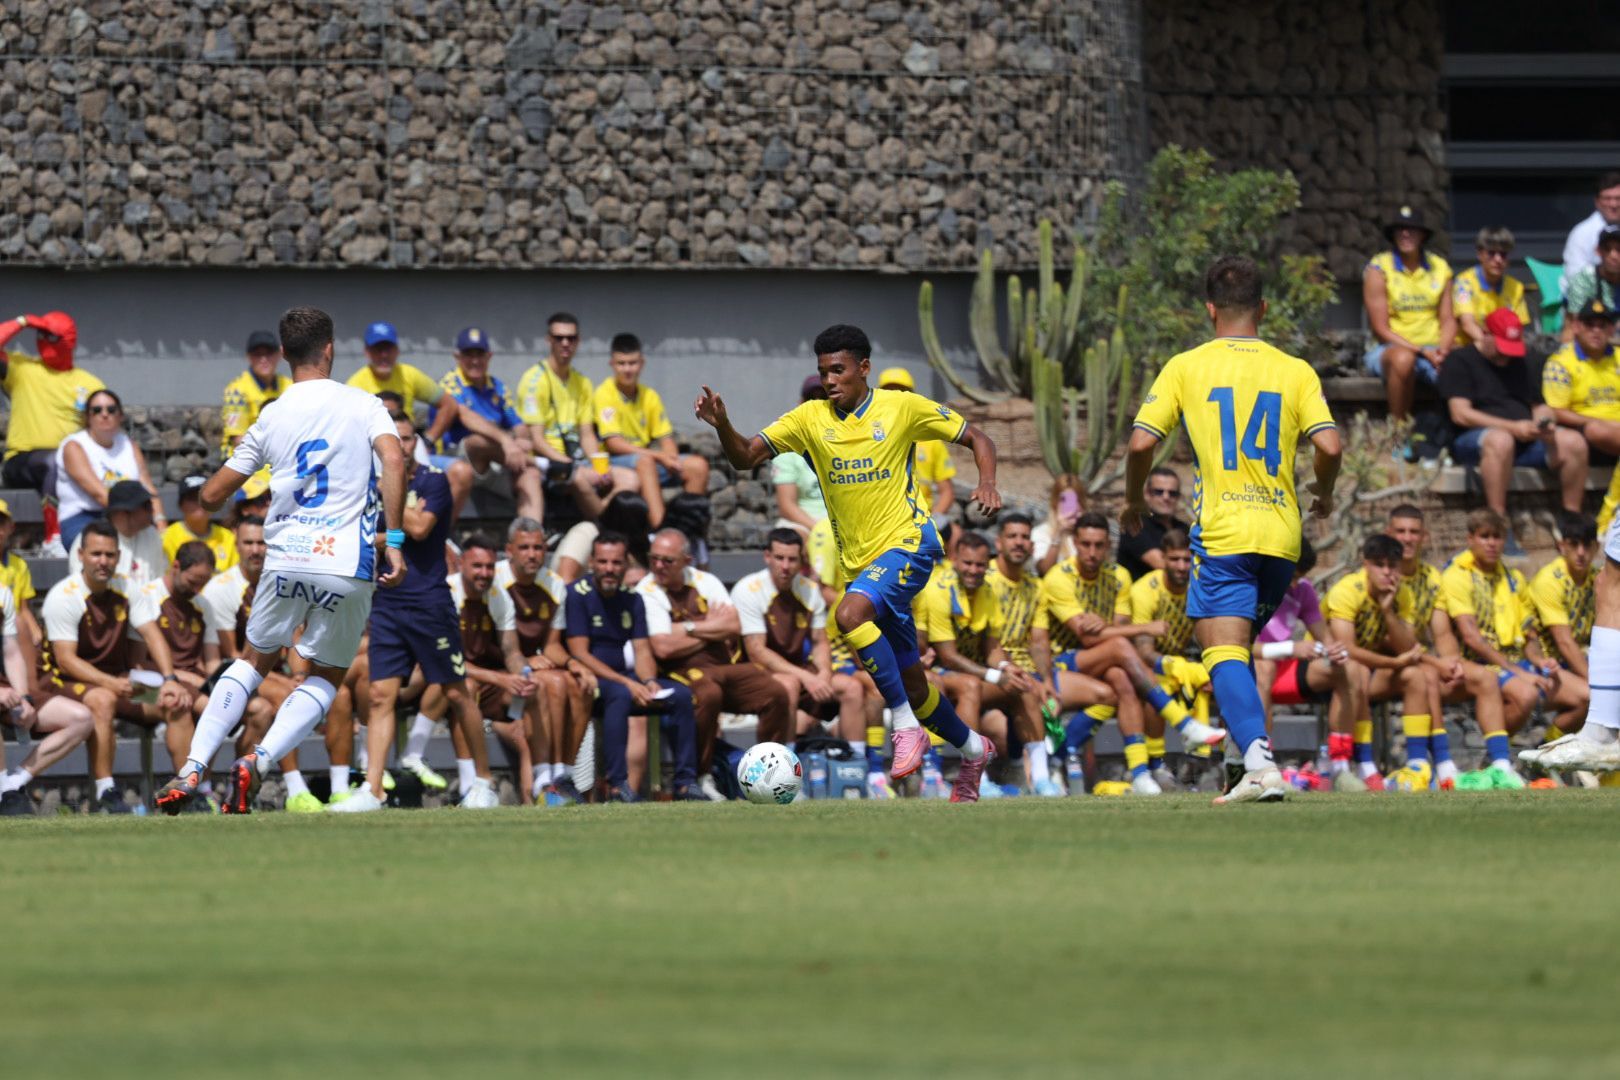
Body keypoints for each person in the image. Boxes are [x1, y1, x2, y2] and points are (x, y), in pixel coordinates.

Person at [695, 322, 1003, 802]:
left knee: (849, 614)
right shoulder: (810, 418)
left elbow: (980, 438)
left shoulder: (901, 407)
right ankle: (972, 748)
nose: (829, 380)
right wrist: (723, 426)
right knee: (916, 684)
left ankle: (904, 728)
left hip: (909, 544)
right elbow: (745, 456)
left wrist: (987, 482)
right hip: (864, 566)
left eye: (838, 370)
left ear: (864, 368)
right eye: (822, 372)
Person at [152, 306, 408, 815]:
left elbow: (214, 495)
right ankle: (260, 759)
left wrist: (208, 494)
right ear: (330, 349)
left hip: (287, 557)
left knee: (253, 660)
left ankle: (193, 766)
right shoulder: (364, 404)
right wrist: (394, 538)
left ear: (285, 354)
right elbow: (395, 459)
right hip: (346, 561)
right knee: (328, 675)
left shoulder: (272, 414)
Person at [1125, 254, 1343, 804]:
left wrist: (1133, 498)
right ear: (1263, 308)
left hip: (1225, 532)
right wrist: (1325, 491)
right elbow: (1330, 445)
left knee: (1221, 653)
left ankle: (1260, 764)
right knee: (1237, 656)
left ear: (1209, 309)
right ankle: (1235, 761)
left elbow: (1141, 443)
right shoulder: (1295, 369)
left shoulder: (1187, 366)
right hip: (1281, 537)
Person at [338, 416, 501, 813]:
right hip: (388, 602)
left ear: (415, 444)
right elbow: (360, 530)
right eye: (394, 440)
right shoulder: (368, 483)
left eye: (407, 439)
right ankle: (372, 789)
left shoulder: (432, 481)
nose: (402, 446)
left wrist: (384, 491)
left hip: (429, 602)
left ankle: (485, 782)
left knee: (456, 692)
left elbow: (422, 526)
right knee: (379, 695)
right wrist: (382, 530)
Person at [1042, 512, 1225, 794]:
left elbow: (1116, 629)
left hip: (1103, 661)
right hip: (1061, 663)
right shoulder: (1059, 577)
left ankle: (1137, 774)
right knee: (1120, 649)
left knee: (1122, 680)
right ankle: (1183, 724)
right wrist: (1145, 628)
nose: (1092, 552)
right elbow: (1089, 637)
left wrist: (1108, 629)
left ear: (1108, 546)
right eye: (1086, 544)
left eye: (1099, 545)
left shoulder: (1119, 576)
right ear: (1075, 543)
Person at [39, 520, 195, 813]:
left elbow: (152, 634)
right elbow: (65, 660)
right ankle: (106, 793)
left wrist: (170, 679)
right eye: (96, 554)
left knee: (176, 703)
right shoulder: (64, 595)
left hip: (118, 680)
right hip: (62, 683)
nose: (103, 561)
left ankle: (186, 791)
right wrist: (110, 683)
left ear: (119, 558)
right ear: (81, 555)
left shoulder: (128, 588)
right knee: (102, 699)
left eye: (110, 555)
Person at [636, 528, 792, 797]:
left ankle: (772, 775)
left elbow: (733, 624)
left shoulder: (705, 581)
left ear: (686, 560)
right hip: (680, 670)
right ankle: (701, 776)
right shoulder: (646, 590)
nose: (658, 566)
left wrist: (684, 629)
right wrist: (709, 628)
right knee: (708, 693)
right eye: (654, 559)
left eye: (667, 560)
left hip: (723, 666)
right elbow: (662, 647)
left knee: (775, 692)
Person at [732, 527, 886, 795]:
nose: (785, 566)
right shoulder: (749, 589)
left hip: (798, 670)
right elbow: (757, 651)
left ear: (801, 561)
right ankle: (790, 778)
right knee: (789, 685)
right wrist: (807, 677)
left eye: (792, 559)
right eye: (779, 558)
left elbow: (819, 641)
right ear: (767, 556)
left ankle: (856, 772)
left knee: (851, 688)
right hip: (755, 673)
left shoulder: (809, 590)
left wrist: (824, 672)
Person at [1440, 509, 1580, 787]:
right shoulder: (1458, 575)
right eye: (1485, 537)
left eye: (1497, 537)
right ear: (1471, 539)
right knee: (1526, 694)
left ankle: (1539, 756)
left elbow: (1529, 635)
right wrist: (1519, 671)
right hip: (1478, 664)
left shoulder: (1513, 578)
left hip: (1516, 663)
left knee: (1585, 696)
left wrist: (1539, 661)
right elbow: (1471, 638)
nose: (1492, 543)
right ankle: (1498, 760)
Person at [564, 532, 702, 801]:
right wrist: (629, 683)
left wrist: (649, 681)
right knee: (621, 694)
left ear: (625, 564)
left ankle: (685, 783)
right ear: (591, 562)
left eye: (616, 563)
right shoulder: (577, 594)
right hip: (591, 678)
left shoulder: (632, 598)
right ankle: (618, 785)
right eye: (602, 562)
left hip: (623, 677)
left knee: (681, 695)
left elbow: (641, 649)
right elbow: (579, 653)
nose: (609, 569)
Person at [922, 531, 1052, 795]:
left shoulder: (988, 590)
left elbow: (991, 647)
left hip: (972, 671)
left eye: (980, 564)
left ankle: (1041, 778)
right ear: (956, 560)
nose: (973, 570)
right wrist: (993, 676)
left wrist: (1005, 668)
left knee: (1023, 683)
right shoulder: (938, 591)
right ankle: (973, 777)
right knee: (970, 685)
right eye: (967, 563)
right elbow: (947, 656)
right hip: (935, 671)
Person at [197, 514, 311, 811]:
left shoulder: (285, 582)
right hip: (232, 670)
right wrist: (288, 682)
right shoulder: (221, 588)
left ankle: (347, 782)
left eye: (262, 543)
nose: (256, 550)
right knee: (289, 696)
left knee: (330, 695)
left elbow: (296, 635)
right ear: (236, 543)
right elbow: (233, 655)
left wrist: (298, 675)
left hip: (273, 673)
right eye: (248, 543)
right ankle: (296, 788)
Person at [1441, 308, 1586, 536]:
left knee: (1574, 441)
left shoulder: (1525, 361)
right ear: (1485, 334)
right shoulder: (1460, 360)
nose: (1505, 355)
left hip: (1526, 438)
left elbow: (1540, 405)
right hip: (1475, 441)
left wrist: (1544, 423)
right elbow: (1461, 414)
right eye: (1500, 348)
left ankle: (1572, 520)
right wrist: (1512, 428)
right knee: (1501, 440)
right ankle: (1497, 521)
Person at [1321, 534, 1445, 792]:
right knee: (1359, 671)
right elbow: (1347, 650)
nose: (1387, 572)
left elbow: (1407, 647)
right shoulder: (1346, 591)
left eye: (1393, 565)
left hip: (1369, 669)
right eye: (1379, 564)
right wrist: (1394, 662)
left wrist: (1388, 612)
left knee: (1415, 675)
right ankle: (1366, 766)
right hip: (1328, 667)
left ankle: (1417, 764)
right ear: (1365, 564)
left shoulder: (1403, 594)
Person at [495, 517, 593, 805]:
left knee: (574, 682)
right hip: (501, 677)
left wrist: (576, 664)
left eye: (538, 547)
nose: (532, 554)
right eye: (524, 547)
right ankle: (545, 788)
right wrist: (525, 661)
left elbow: (552, 646)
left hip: (531, 676)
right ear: (509, 550)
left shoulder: (555, 585)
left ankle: (564, 775)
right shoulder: (496, 579)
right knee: (550, 683)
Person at [517, 312, 637, 522]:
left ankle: (605, 523)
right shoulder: (535, 380)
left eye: (571, 338)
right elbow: (536, 440)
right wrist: (569, 464)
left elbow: (587, 435)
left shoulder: (582, 382)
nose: (565, 343)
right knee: (579, 478)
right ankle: (606, 526)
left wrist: (599, 467)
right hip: (548, 464)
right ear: (549, 340)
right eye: (559, 338)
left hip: (578, 460)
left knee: (630, 479)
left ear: (578, 341)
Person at [442, 534, 535, 804]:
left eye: (490, 567)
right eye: (477, 566)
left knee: (533, 704)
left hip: (490, 682)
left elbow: (511, 651)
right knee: (464, 689)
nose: (484, 573)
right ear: (461, 564)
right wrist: (500, 678)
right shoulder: (446, 593)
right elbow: (447, 659)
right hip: (445, 680)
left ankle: (539, 797)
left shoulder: (498, 595)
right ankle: (472, 786)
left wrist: (523, 674)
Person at [347, 320, 472, 513]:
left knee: (462, 472)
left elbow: (449, 404)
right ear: (367, 352)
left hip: (412, 449)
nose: (383, 355)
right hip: (376, 454)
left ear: (397, 350)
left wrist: (429, 439)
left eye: (388, 349)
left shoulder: (409, 374)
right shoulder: (356, 385)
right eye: (377, 349)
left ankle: (442, 533)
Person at [1126, 527, 1215, 790]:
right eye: (1174, 559)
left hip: (1183, 661)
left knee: (1225, 682)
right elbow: (1143, 649)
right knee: (1157, 687)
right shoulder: (1145, 590)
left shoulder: (1199, 587)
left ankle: (1226, 763)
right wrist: (1172, 665)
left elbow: (1209, 634)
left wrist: (1205, 670)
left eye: (1187, 560)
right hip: (1149, 664)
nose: (1181, 566)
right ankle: (1155, 765)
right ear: (1163, 559)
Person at [595, 333, 711, 529]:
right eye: (621, 363)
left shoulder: (650, 396)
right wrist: (660, 456)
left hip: (645, 458)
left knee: (697, 466)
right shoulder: (604, 394)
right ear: (612, 364)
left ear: (642, 363)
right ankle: (661, 531)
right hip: (616, 462)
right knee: (645, 462)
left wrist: (671, 456)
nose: (627, 369)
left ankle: (691, 530)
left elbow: (665, 437)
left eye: (632, 363)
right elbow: (614, 444)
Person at [0, 578, 95, 815]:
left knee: (81, 719)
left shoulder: (3, 595)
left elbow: (11, 654)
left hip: (6, 688)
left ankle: (12, 785)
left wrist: (24, 699)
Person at [430, 326, 542, 521]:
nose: (475, 360)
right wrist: (507, 442)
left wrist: (518, 440)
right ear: (457, 356)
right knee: (478, 441)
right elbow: (466, 417)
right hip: (453, 462)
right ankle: (547, 465)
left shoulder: (497, 387)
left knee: (529, 473)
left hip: (495, 464)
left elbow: (520, 427)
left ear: (489, 356)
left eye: (480, 354)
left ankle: (530, 535)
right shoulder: (448, 384)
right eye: (468, 354)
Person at [1362, 206, 1455, 421]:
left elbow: (1448, 319)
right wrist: (1422, 351)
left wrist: (1442, 352)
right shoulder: (1378, 268)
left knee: (1463, 366)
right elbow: (1380, 329)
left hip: (1434, 349)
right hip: (1392, 348)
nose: (1405, 234)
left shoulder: (1440, 267)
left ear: (1422, 235)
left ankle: (1451, 440)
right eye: (1400, 229)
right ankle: (1398, 431)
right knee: (1404, 360)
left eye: (1412, 230)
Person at [0, 311, 104, 493]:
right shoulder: (22, 369)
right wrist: (22, 322)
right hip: (22, 460)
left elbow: (103, 431)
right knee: (55, 462)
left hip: (72, 462)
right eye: (41, 334)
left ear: (69, 341)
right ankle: (54, 523)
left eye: (52, 336)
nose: (45, 340)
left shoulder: (91, 384)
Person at [54, 387, 165, 549]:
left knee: (158, 544)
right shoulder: (73, 447)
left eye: (111, 409)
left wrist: (160, 522)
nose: (104, 414)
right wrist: (137, 518)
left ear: (120, 416)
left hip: (131, 514)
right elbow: (100, 494)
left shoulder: (129, 445)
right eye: (97, 410)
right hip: (84, 517)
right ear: (87, 417)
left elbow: (147, 487)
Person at [876, 367, 956, 527]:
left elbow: (946, 491)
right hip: (882, 518)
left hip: (921, 517)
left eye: (901, 391)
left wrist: (934, 519)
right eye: (889, 392)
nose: (895, 397)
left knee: (955, 535)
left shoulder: (931, 439)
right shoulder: (870, 433)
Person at [1544, 298, 1620, 461]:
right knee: (1595, 429)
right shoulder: (1560, 362)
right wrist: (1605, 423)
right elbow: (1557, 411)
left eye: (1602, 326)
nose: (1596, 331)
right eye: (1590, 325)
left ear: (1611, 330)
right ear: (1576, 327)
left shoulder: (1618, 357)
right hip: (1586, 432)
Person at [1528, 510, 1597, 691]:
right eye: (1574, 545)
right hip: (1550, 660)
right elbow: (1564, 642)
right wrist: (1598, 685)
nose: (1581, 553)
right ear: (1562, 546)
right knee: (1595, 695)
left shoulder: (1598, 578)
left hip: (1584, 652)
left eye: (1587, 545)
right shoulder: (1550, 581)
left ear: (1596, 547)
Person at [67, 479, 167, 590]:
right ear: (125, 512)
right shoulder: (89, 540)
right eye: (147, 506)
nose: (153, 510)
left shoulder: (152, 535)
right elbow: (82, 590)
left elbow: (158, 583)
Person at [1451, 226, 1531, 356]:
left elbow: (1519, 328)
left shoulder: (1516, 287)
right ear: (1480, 254)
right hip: (1470, 346)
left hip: (1504, 350)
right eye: (1491, 253)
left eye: (1503, 254)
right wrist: (1493, 347)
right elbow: (1468, 325)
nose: (1498, 259)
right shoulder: (1464, 283)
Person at [770, 376, 829, 536]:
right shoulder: (787, 444)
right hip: (805, 523)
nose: (816, 404)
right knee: (793, 538)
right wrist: (821, 529)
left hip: (841, 521)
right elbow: (787, 506)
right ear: (800, 404)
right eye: (811, 399)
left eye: (823, 398)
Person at [221, 330, 292, 455]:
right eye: (257, 354)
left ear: (280, 354)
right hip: (245, 461)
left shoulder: (290, 386)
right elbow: (238, 439)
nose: (263, 359)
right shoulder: (236, 391)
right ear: (248, 357)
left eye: (269, 353)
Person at [1115, 466, 1188, 580]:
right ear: (1147, 494)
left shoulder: (1184, 528)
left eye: (1172, 493)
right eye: (1159, 492)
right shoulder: (1136, 524)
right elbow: (1161, 564)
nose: (1166, 497)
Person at [1559, 171, 1620, 294]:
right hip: (1591, 302)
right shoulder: (1581, 233)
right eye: (1607, 198)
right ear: (1597, 202)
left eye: (1618, 198)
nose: (1613, 204)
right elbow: (1575, 278)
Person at [162, 474, 238, 571]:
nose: (199, 503)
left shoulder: (228, 538)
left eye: (203, 498)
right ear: (180, 504)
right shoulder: (166, 538)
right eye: (192, 498)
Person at [1031, 473, 1087, 576]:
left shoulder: (1091, 534)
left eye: (1075, 501)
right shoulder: (1041, 533)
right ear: (1055, 502)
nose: (1071, 507)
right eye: (1065, 501)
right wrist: (1058, 534)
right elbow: (1044, 570)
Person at [1562, 226, 1620, 324]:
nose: (1613, 256)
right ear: (1598, 251)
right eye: (1607, 249)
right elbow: (1572, 324)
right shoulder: (1583, 279)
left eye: (1619, 250)